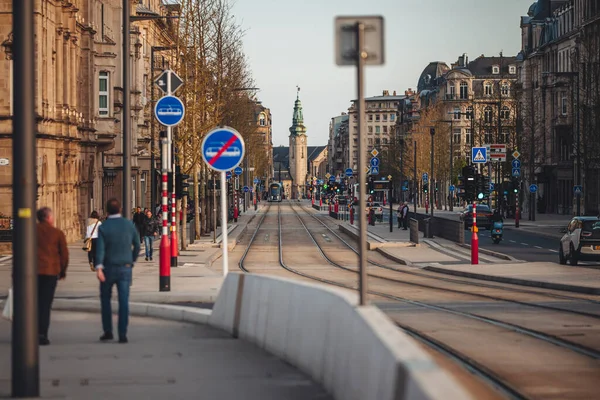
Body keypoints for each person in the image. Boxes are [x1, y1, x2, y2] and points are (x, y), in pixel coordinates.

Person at [95, 198, 140, 344]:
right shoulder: (129, 225)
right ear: (120, 209)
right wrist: (131, 260)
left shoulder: (103, 227)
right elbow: (137, 245)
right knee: (123, 301)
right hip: (125, 267)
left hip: (108, 268)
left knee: (106, 300)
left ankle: (108, 331)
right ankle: (122, 334)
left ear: (107, 211)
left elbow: (100, 249)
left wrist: (99, 267)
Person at [36, 207, 69, 345]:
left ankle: (30, 331)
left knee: (33, 303)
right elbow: (64, 255)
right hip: (50, 272)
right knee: (45, 304)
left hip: (32, 273)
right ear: (49, 218)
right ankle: (42, 333)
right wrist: (62, 271)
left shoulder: (30, 231)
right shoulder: (57, 233)